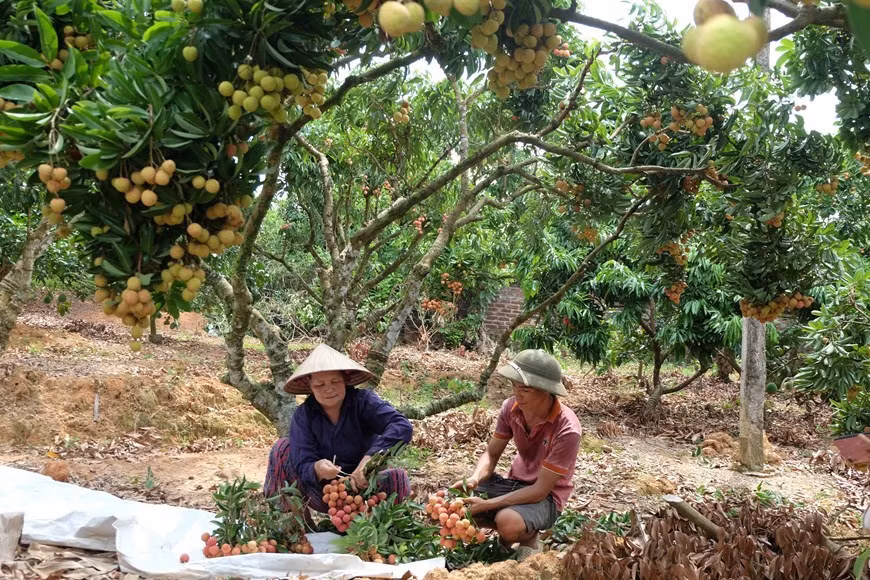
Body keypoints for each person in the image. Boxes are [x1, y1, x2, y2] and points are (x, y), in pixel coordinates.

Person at [452, 349, 581, 561]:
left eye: (525, 389)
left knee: (507, 521)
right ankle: (510, 534)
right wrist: (475, 478)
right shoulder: (510, 408)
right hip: (513, 484)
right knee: (454, 504)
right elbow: (491, 454)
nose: (517, 394)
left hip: (546, 498)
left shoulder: (567, 429)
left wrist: (488, 505)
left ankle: (528, 536)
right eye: (514, 386)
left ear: (546, 391)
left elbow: (540, 491)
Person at [264, 344, 413, 513]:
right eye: (320, 385)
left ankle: (386, 531)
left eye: (335, 381)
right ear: (310, 386)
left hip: (366, 488)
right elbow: (302, 463)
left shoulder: (363, 401)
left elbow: (402, 426)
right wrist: (317, 469)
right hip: (325, 493)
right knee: (281, 448)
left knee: (397, 477)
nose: (328, 389)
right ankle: (295, 529)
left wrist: (368, 460)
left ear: (345, 379)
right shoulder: (304, 415)